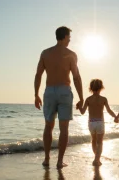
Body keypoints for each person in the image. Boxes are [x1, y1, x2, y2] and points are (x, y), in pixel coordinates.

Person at [34, 26, 84, 169]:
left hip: (49, 91)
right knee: (64, 128)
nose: (70, 40)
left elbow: (38, 75)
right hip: (64, 91)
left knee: (48, 126)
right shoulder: (71, 54)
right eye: (69, 37)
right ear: (65, 37)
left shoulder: (45, 53)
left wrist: (36, 94)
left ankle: (46, 159)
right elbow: (76, 77)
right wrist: (81, 97)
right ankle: (59, 161)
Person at [77, 79, 117, 166]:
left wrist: (79, 106)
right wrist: (115, 117)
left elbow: (82, 112)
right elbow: (109, 110)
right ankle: (96, 159)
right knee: (100, 142)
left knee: (93, 140)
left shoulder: (88, 99)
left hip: (91, 122)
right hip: (100, 122)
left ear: (91, 88)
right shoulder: (103, 99)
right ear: (101, 88)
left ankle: (96, 158)